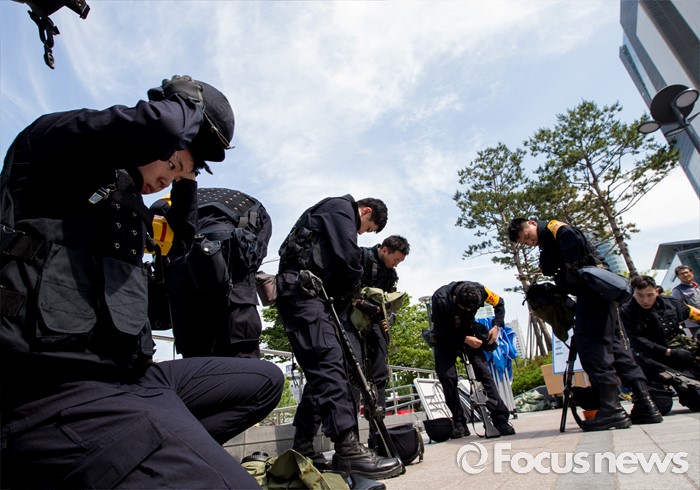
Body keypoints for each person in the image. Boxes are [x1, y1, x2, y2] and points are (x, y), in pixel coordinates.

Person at [0, 75, 284, 488]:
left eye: (178, 174)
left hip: (134, 378)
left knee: (262, 380)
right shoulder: (55, 146)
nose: (168, 179)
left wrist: (187, 180)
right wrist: (189, 104)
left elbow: (181, 243)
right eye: (172, 165)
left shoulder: (127, 205)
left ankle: (149, 452)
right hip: (55, 388)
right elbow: (163, 126)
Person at [276, 195, 403, 480]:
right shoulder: (341, 208)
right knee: (329, 363)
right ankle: (347, 451)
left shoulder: (335, 212)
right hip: (303, 293)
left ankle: (306, 448)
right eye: (367, 228)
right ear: (365, 211)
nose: (362, 233)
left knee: (325, 371)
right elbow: (347, 257)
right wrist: (357, 293)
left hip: (312, 296)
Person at [508, 218, 662, 431]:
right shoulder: (549, 240)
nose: (530, 242)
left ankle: (611, 410)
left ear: (532, 223)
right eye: (525, 242)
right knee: (615, 347)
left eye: (528, 236)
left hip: (592, 293)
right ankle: (645, 403)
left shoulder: (554, 229)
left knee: (592, 346)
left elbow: (569, 236)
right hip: (597, 294)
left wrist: (571, 269)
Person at [150, 188, 272, 358]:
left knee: (196, 362)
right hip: (234, 295)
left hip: (185, 286)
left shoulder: (172, 199)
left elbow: (156, 242)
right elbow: (256, 254)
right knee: (242, 361)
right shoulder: (252, 206)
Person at [430, 281, 515, 438]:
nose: (469, 311)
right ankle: (459, 422)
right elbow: (440, 329)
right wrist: (464, 339)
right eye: (465, 308)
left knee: (483, 372)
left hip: (469, 330)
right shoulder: (439, 298)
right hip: (445, 337)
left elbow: (500, 303)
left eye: (472, 309)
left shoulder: (481, 291)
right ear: (454, 299)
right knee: (447, 376)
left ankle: (500, 419)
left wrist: (496, 326)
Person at [355, 235, 410, 448]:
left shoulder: (391, 274)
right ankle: (351, 439)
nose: (396, 264)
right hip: (353, 320)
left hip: (377, 324)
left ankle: (377, 432)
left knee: (379, 376)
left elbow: (390, 300)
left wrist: (389, 318)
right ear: (385, 250)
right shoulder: (361, 256)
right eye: (395, 259)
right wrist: (361, 303)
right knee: (354, 376)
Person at [620, 275, 700, 409]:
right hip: (650, 360)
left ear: (656, 291)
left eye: (650, 295)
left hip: (679, 355)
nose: (645, 300)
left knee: (696, 400)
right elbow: (636, 340)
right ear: (633, 293)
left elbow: (696, 314)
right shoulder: (625, 311)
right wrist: (667, 352)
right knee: (659, 406)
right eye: (640, 295)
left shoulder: (672, 303)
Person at [671, 265, 700, 337]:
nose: (685, 275)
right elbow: (678, 309)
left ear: (691, 273)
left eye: (686, 272)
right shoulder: (677, 290)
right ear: (678, 277)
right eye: (682, 273)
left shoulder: (697, 287)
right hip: (696, 325)